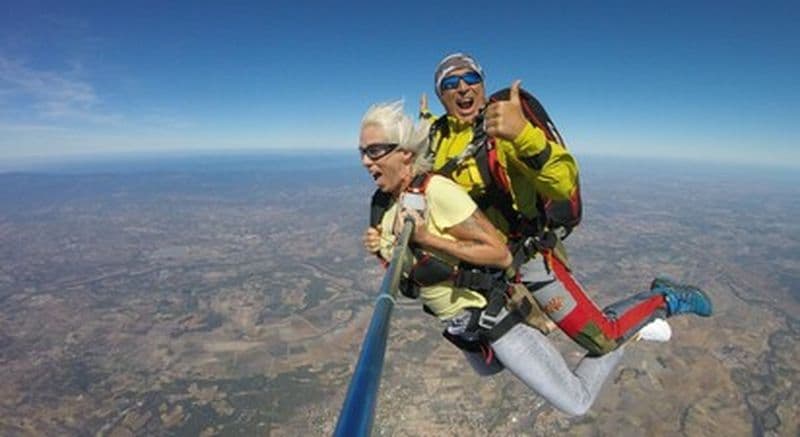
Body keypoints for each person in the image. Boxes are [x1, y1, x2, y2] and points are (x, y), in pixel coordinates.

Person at [358, 101, 705, 416]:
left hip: (492, 319)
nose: (365, 161)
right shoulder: (384, 204)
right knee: (490, 370)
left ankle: (658, 303)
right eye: (362, 152)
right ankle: (555, 334)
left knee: (578, 397)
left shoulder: (436, 191)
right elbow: (410, 273)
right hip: (462, 325)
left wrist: (427, 238)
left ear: (405, 153)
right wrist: (383, 248)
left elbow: (498, 252)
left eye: (375, 151)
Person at [417, 52, 713, 356]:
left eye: (471, 78)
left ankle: (665, 297)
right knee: (503, 350)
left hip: (527, 257)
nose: (463, 88)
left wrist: (523, 135)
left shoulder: (503, 132)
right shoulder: (438, 136)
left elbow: (562, 183)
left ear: (482, 84)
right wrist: (425, 121)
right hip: (484, 264)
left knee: (602, 338)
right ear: (442, 95)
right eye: (451, 83)